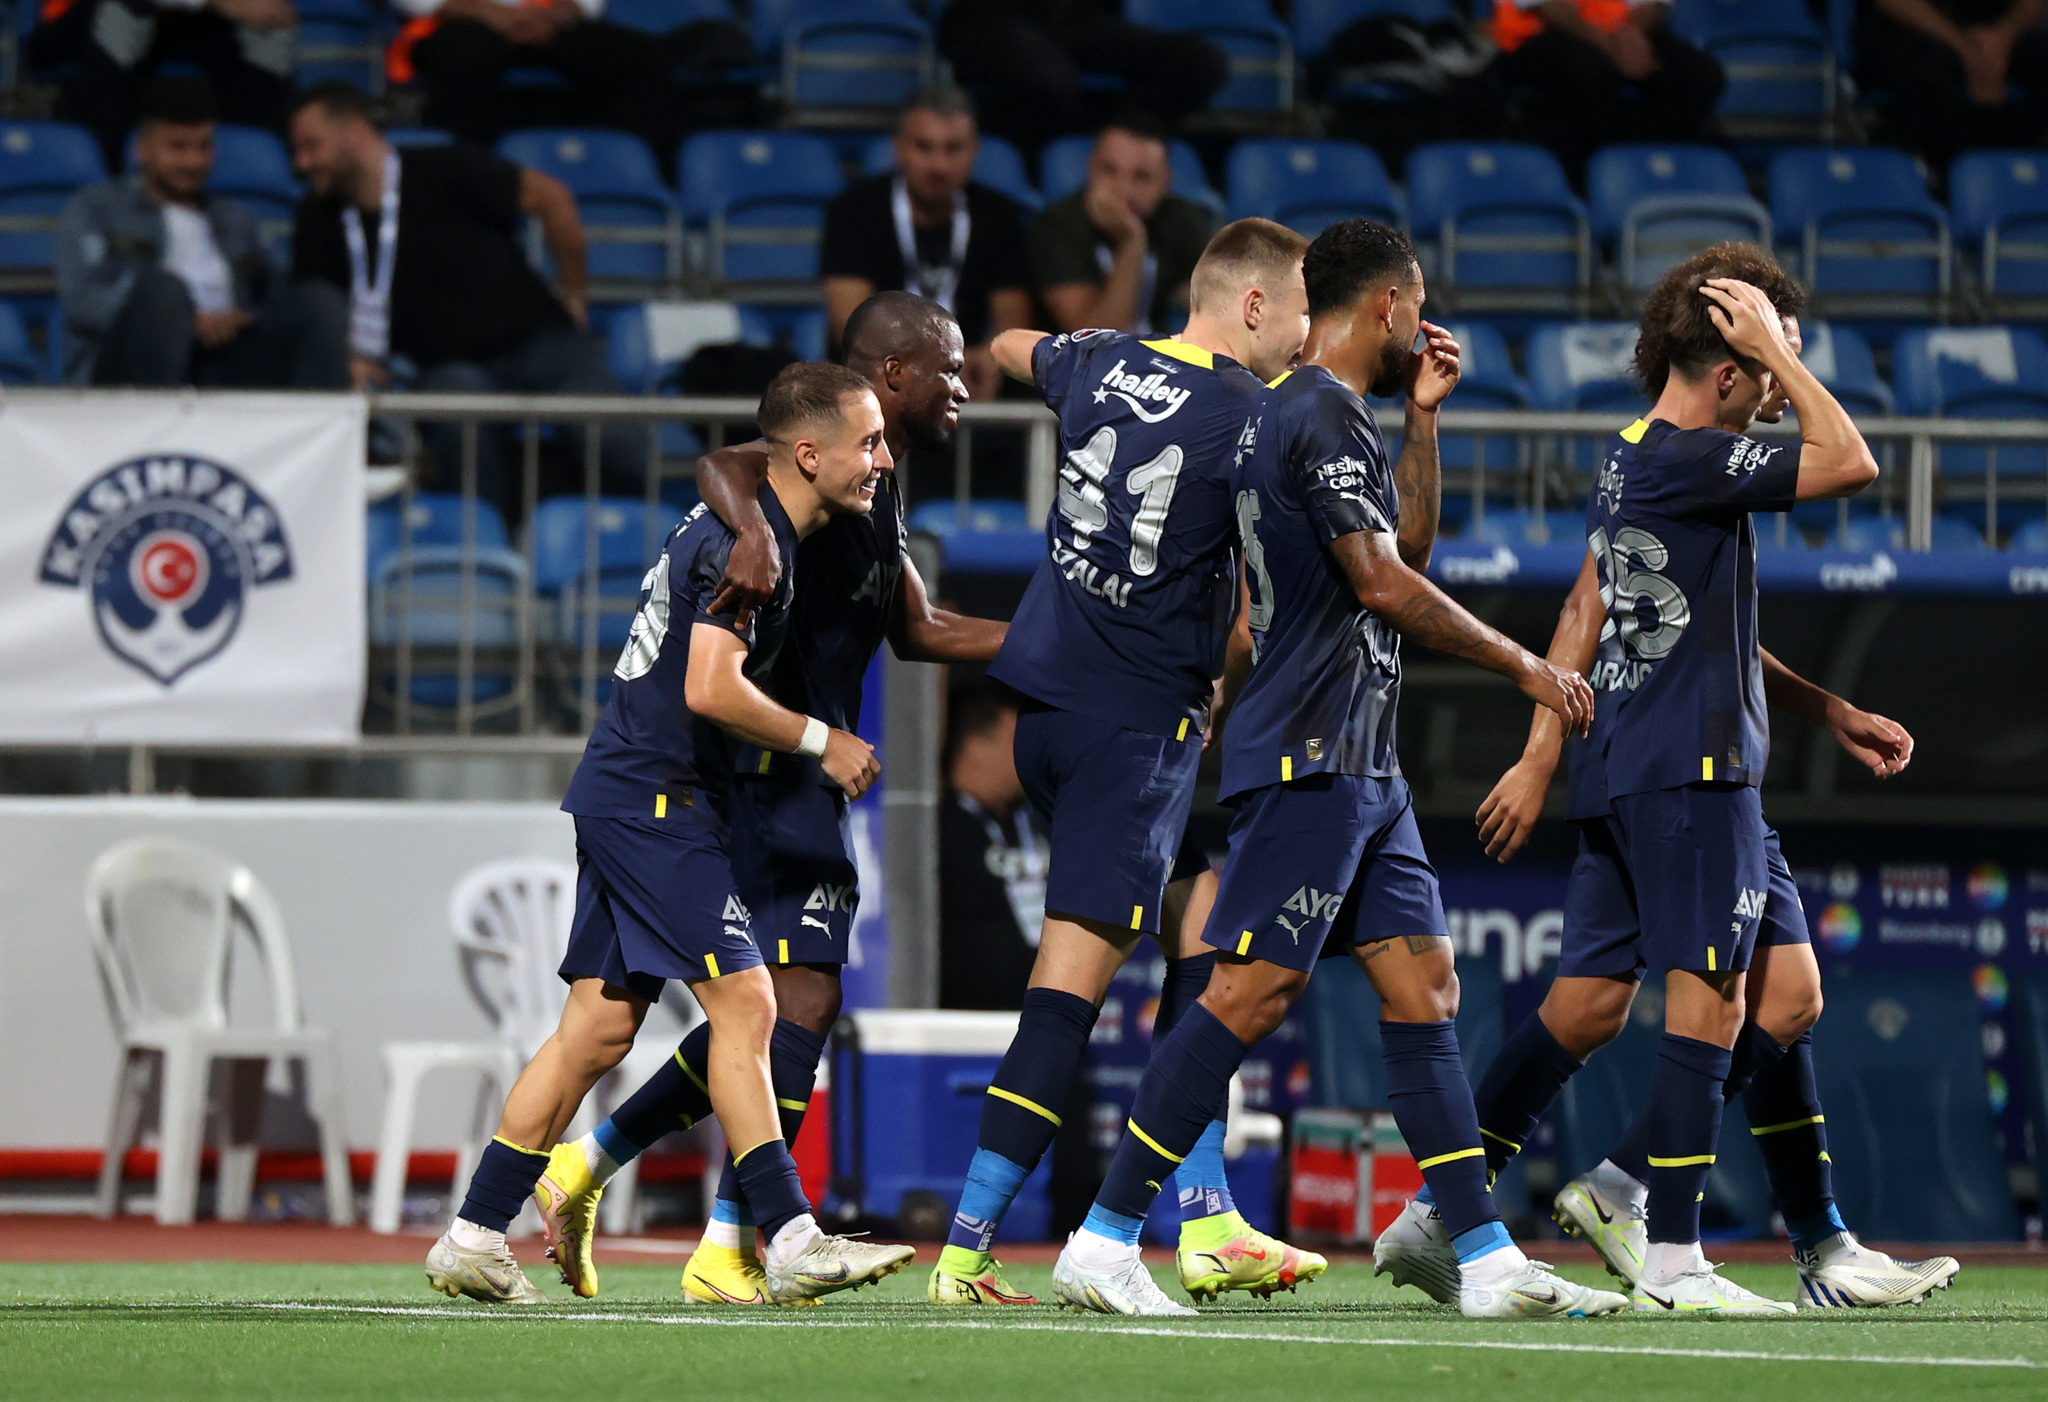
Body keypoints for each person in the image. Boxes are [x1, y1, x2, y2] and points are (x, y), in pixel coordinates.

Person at [1047, 218, 1613, 1320]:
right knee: (1248, 993)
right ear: (1388, 304)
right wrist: (1527, 666)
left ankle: (1483, 1258)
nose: (1423, 325)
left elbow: (1403, 552)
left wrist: (1423, 420)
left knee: (1425, 984)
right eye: (1418, 305)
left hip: (1360, 760)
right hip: (1313, 752)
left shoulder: (1314, 411)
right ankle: (1103, 1238)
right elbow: (1382, 584)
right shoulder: (1314, 409)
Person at [1383, 302, 1961, 1313]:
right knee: (1723, 1002)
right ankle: (1669, 1251)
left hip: (1635, 759)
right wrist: (1777, 350)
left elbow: (1607, 607)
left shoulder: (1629, 454)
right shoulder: (1699, 456)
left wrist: (1826, 709)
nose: (1779, 383)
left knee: (1637, 1004)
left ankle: (1457, 1207)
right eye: (1768, 364)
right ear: (1727, 369)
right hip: (1691, 769)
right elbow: (1853, 462)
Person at [521, 294, 1010, 1307]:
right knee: (780, 1002)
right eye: (949, 368)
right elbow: (727, 464)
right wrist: (748, 529)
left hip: (796, 769)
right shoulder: (802, 468)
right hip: (760, 768)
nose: (965, 388)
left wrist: (1068, 648)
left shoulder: (874, 486)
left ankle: (602, 1174)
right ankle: (735, 1238)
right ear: (892, 375)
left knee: (762, 1007)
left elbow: (919, 628)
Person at [427, 362, 916, 1306]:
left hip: (631, 788)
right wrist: (823, 740)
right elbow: (709, 688)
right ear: (806, 454)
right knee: (751, 1006)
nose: (883, 461)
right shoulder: (746, 546)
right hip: (659, 797)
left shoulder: (761, 526)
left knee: (598, 1028)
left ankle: (475, 1234)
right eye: (868, 443)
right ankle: (790, 1239)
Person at [928, 217, 1325, 1313]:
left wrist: (1021, 357)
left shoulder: (1101, 359)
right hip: (1132, 732)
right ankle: (966, 1253)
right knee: (1065, 999)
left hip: (1045, 717)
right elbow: (1260, 611)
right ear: (1252, 305)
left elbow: (1008, 346)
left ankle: (1208, 1221)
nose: (1303, 338)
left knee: (1202, 928)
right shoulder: (1253, 416)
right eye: (1298, 314)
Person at [288, 82, 640, 516]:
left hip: (539, 342)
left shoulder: (445, 167)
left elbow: (552, 198)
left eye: (312, 146)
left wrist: (575, 296)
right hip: (448, 368)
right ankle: (484, 544)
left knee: (613, 435)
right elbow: (318, 310)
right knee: (459, 426)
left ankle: (640, 541)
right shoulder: (316, 217)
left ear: (355, 131)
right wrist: (350, 358)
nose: (301, 163)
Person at [56, 78, 347, 388]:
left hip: (227, 357)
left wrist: (243, 318)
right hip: (133, 363)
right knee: (165, 293)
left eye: (204, 146)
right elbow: (83, 300)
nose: (193, 161)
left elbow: (278, 288)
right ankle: (159, 417)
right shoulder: (97, 208)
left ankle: (326, 416)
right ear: (142, 149)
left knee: (317, 301)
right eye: (177, 147)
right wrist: (185, 322)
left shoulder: (235, 218)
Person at [820, 89, 1033, 407]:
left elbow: (1012, 322)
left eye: (953, 149)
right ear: (898, 148)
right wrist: (924, 369)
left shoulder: (997, 215)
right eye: (924, 147)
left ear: (975, 151)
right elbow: (850, 326)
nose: (939, 165)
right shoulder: (854, 211)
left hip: (967, 383)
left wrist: (988, 359)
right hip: (877, 384)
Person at [386, 0, 688, 155]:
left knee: (644, 58)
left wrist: (554, 16)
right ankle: (463, 172)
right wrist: (493, 14)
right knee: (468, 55)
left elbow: (587, 3)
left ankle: (618, 173)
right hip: (457, 23)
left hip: (549, 24)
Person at [936, 0, 1228, 152]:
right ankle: (1068, 158)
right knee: (1050, 79)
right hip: (989, 16)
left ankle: (1117, 142)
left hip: (1074, 17)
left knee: (1200, 62)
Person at [1028, 114, 1218, 339]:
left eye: (1142, 177)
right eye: (1109, 171)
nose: (1124, 191)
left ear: (1165, 180)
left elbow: (1217, 314)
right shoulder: (1055, 226)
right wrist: (1131, 243)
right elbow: (1095, 342)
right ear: (1090, 168)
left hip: (1159, 354)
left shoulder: (1179, 217)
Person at [1489, 0, 1725, 174]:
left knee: (1700, 76)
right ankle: (1608, 171)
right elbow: (1545, 6)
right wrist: (1610, 46)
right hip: (1538, 35)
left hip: (1622, 33)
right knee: (1589, 75)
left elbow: (1653, 4)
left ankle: (1657, 166)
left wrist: (1629, 36)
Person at [58, 0, 295, 170]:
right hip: (121, 16)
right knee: (120, 14)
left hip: (215, 31)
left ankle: (257, 172)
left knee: (273, 20)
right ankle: (104, 171)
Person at [939, 680, 1045, 1012]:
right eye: (1017, 742)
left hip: (1041, 1014)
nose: (1031, 756)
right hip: (968, 1017)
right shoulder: (935, 831)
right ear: (976, 745)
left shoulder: (1038, 818)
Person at [1857, 0, 2048, 160]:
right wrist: (1966, 48)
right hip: (1913, 29)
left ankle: (2027, 170)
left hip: (1995, 34)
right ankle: (1938, 171)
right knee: (1931, 68)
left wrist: (2002, 38)